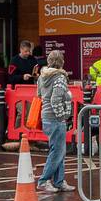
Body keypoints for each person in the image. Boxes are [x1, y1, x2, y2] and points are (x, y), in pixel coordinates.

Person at [35, 50, 75, 193]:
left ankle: (59, 181)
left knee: (58, 150)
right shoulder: (60, 77)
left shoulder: (42, 76)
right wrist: (63, 114)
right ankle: (44, 181)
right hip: (55, 118)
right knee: (57, 151)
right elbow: (56, 99)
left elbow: (39, 94)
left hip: (46, 116)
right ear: (62, 61)